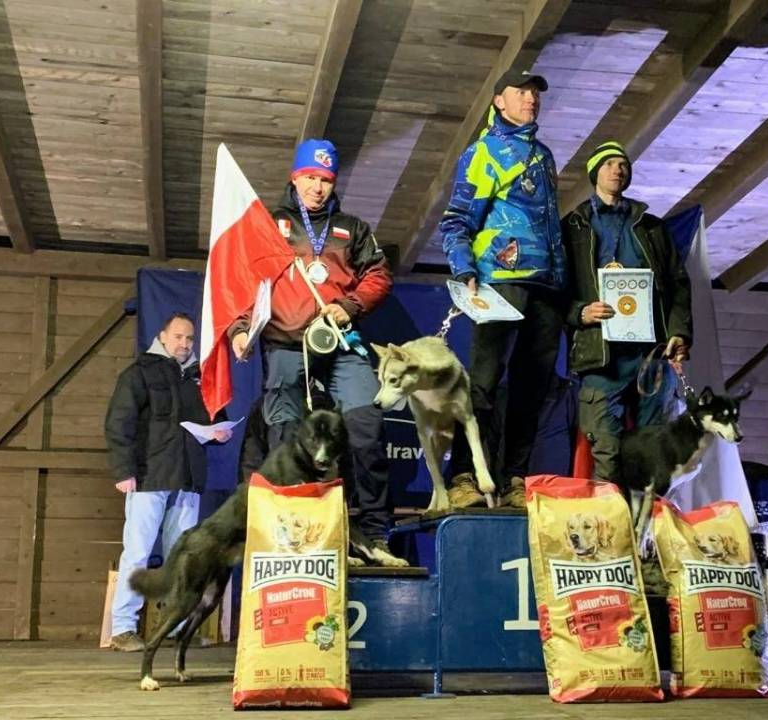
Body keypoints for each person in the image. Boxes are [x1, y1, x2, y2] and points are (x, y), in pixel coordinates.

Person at [228, 138, 402, 561]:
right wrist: (239, 329)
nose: (317, 187)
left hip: (340, 344)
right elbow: (241, 279)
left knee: (366, 428)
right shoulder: (269, 225)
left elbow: (378, 275)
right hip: (286, 345)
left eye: (325, 180)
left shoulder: (352, 228)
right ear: (295, 177)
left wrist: (350, 306)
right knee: (284, 437)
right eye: (310, 177)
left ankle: (374, 531)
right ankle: (289, 533)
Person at [439, 67, 567, 509]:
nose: (531, 99)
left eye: (535, 93)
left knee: (532, 392)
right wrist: (463, 268)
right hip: (499, 283)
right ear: (499, 100)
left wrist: (562, 285)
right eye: (521, 92)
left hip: (546, 288)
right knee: (483, 384)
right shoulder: (484, 151)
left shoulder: (544, 156)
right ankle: (463, 478)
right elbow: (457, 219)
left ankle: (515, 479)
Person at [561, 141, 692, 482]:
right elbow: (555, 289)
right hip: (601, 356)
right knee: (606, 450)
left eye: (623, 165)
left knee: (655, 448)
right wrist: (580, 313)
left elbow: (678, 283)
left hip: (650, 354)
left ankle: (648, 514)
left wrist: (679, 332)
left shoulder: (652, 228)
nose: (617, 170)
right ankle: (613, 514)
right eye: (609, 164)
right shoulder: (572, 227)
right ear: (594, 173)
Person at [105, 313, 232, 652]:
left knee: (182, 557)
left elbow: (213, 417)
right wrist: (123, 471)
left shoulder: (199, 377)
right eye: (178, 337)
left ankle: (173, 628)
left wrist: (218, 430)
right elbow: (119, 423)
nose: (184, 344)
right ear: (162, 336)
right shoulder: (139, 373)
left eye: (189, 338)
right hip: (149, 476)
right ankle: (123, 629)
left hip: (187, 479)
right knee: (137, 552)